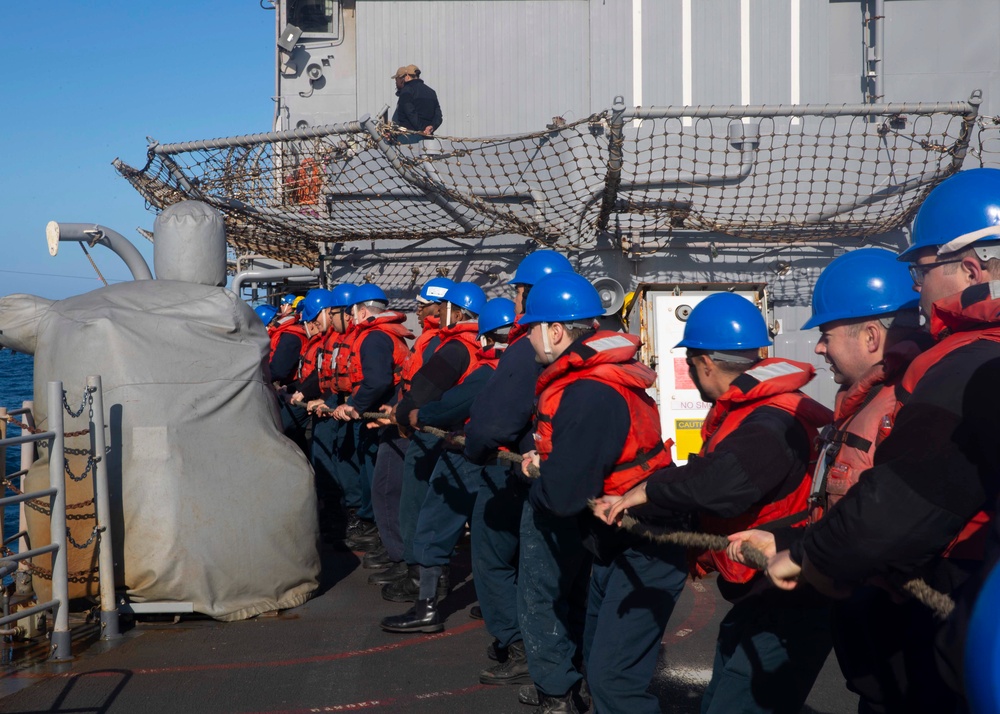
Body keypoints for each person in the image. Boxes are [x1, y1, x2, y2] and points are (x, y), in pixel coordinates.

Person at [764, 168, 1000, 708]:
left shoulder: (970, 366)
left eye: (921, 270)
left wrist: (805, 553)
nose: (916, 288)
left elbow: (898, 507)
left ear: (967, 267)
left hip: (951, 653)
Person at [600, 291, 835, 714]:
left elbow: (723, 483)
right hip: (761, 595)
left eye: (692, 365)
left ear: (705, 362)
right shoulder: (761, 413)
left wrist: (648, 490)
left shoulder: (769, 423)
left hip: (787, 597)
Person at [727, 248, 937, 713]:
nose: (819, 349)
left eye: (825, 335)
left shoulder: (908, 410)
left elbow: (884, 523)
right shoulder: (869, 403)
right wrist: (782, 535)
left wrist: (796, 552)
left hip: (911, 660)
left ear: (869, 336)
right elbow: (846, 509)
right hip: (880, 658)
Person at [516, 272, 685, 714]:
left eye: (531, 329)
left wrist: (538, 480)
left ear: (555, 332)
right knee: (600, 662)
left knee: (614, 681)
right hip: (618, 541)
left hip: (644, 541)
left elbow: (563, 498)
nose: (527, 339)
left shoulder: (589, 392)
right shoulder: (593, 382)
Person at [463, 250, 574, 694]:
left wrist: (476, 453)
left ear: (528, 294)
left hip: (524, 476)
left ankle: (519, 648)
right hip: (578, 478)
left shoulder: (527, 345)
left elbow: (492, 424)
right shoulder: (594, 342)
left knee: (501, 560)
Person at [380, 294, 513, 634]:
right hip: (508, 463)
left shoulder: (487, 371)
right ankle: (501, 601)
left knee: (434, 523)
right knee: (496, 534)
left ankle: (426, 608)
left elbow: (451, 404)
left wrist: (414, 414)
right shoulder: (526, 368)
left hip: (467, 454)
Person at [365, 276, 455, 575]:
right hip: (407, 418)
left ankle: (410, 564)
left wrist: (400, 413)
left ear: (440, 308)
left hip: (418, 427)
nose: (417, 310)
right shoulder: (431, 339)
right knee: (400, 495)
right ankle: (406, 560)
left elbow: (431, 389)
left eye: (423, 305)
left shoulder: (443, 343)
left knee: (398, 493)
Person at [326, 283, 413, 551]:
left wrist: (353, 405)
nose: (351, 319)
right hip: (382, 414)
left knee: (382, 482)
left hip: (384, 417)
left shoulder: (374, 338)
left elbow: (377, 381)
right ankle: (380, 532)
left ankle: (388, 544)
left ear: (362, 312)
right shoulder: (380, 335)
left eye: (353, 314)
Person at [390, 64, 442, 141]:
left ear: (407, 75)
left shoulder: (407, 91)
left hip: (409, 139)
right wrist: (431, 127)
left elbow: (410, 113)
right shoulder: (431, 92)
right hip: (428, 140)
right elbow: (438, 116)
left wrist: (422, 129)